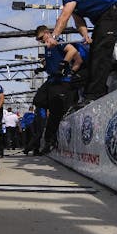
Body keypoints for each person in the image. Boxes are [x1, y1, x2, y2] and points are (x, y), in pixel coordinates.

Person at [40, 0, 117, 106]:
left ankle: (95, 94)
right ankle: (95, 91)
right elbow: (78, 21)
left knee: (101, 52)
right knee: (94, 53)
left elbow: (64, 16)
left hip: (114, 11)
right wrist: (85, 36)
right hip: (104, 17)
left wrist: (54, 37)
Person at [31, 26, 80, 154]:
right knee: (38, 100)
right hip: (52, 80)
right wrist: (42, 69)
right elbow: (50, 63)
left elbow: (72, 51)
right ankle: (49, 128)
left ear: (47, 33)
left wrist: (64, 65)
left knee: (55, 112)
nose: (41, 41)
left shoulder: (57, 41)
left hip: (61, 81)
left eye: (42, 38)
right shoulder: (47, 47)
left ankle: (50, 140)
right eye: (38, 39)